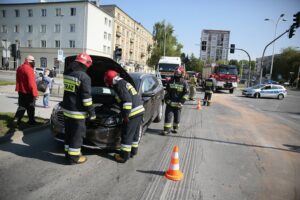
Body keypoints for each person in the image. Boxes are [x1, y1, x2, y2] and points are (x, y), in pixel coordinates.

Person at [61, 52, 96, 165]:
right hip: (78, 113)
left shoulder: (67, 73)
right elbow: (86, 99)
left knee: (69, 134)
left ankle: (68, 153)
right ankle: (74, 158)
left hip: (67, 110)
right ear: (85, 64)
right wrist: (92, 113)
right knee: (77, 135)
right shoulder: (84, 77)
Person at [104, 70, 145, 163]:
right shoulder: (124, 82)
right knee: (134, 134)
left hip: (132, 113)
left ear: (110, 80)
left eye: (107, 82)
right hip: (139, 111)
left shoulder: (119, 85)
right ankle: (133, 152)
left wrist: (125, 116)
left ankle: (123, 156)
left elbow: (127, 101)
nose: (108, 84)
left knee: (126, 135)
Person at [162, 66, 189, 135]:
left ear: (182, 73)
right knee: (168, 117)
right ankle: (166, 130)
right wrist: (167, 99)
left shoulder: (184, 82)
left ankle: (175, 128)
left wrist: (182, 102)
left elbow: (186, 93)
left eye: (178, 72)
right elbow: (167, 91)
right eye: (176, 72)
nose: (177, 73)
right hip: (170, 104)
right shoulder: (170, 81)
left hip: (178, 104)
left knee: (177, 118)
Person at [13, 55, 39, 125]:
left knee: (22, 106)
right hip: (28, 92)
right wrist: (35, 94)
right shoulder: (29, 69)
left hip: (21, 91)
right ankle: (31, 121)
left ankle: (16, 119)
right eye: (32, 60)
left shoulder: (19, 67)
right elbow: (32, 83)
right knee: (31, 107)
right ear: (28, 60)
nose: (34, 62)